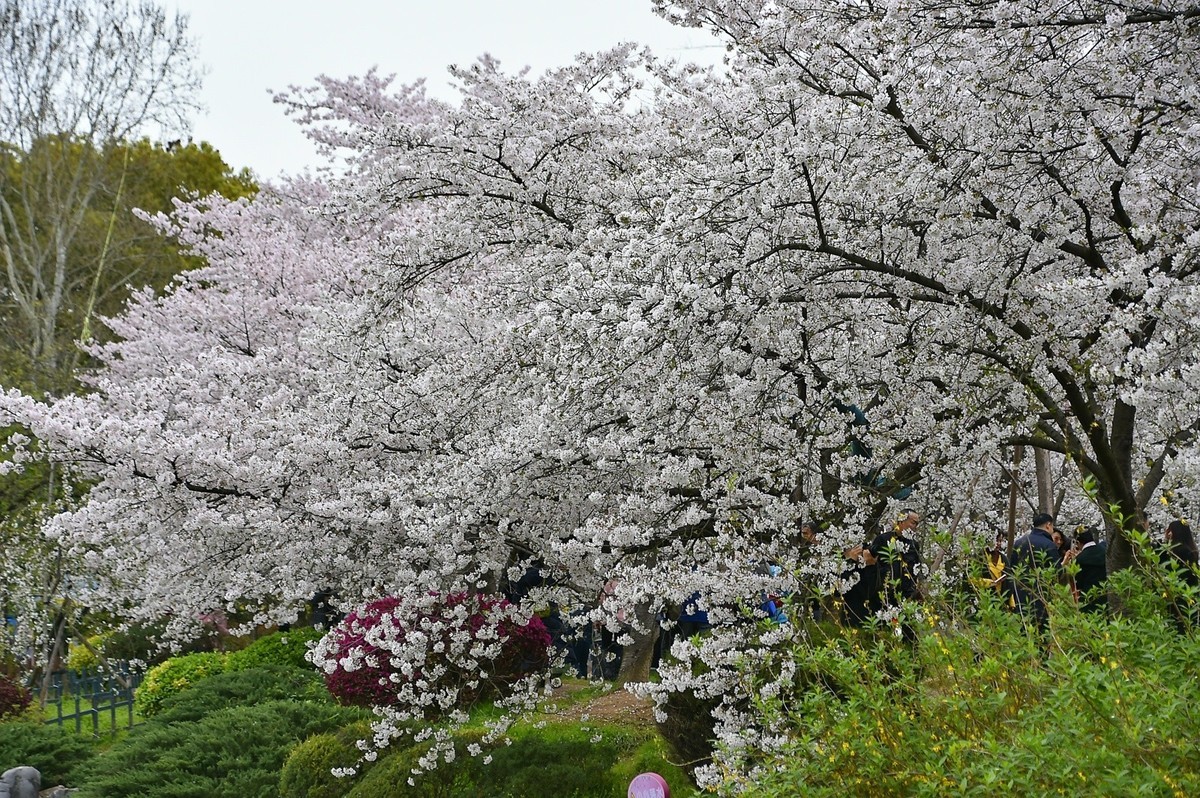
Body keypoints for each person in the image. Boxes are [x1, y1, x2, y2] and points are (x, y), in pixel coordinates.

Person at [1005, 512, 1062, 628]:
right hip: (1041, 594)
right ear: (1048, 525)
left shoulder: (1019, 542)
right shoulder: (1048, 545)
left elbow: (1012, 569)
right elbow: (1057, 572)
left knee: (1025, 630)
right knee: (1042, 630)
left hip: (1021, 595)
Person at [866, 509, 923, 605]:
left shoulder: (914, 545)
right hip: (884, 595)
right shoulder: (883, 539)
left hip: (906, 597)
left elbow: (915, 570)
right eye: (913, 523)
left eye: (917, 524)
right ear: (901, 520)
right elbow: (871, 563)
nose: (915, 527)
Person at [1063, 527, 1107, 612]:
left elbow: (1077, 583)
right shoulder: (1105, 552)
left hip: (1088, 599)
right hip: (1107, 596)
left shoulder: (1079, 559)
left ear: (1078, 542)